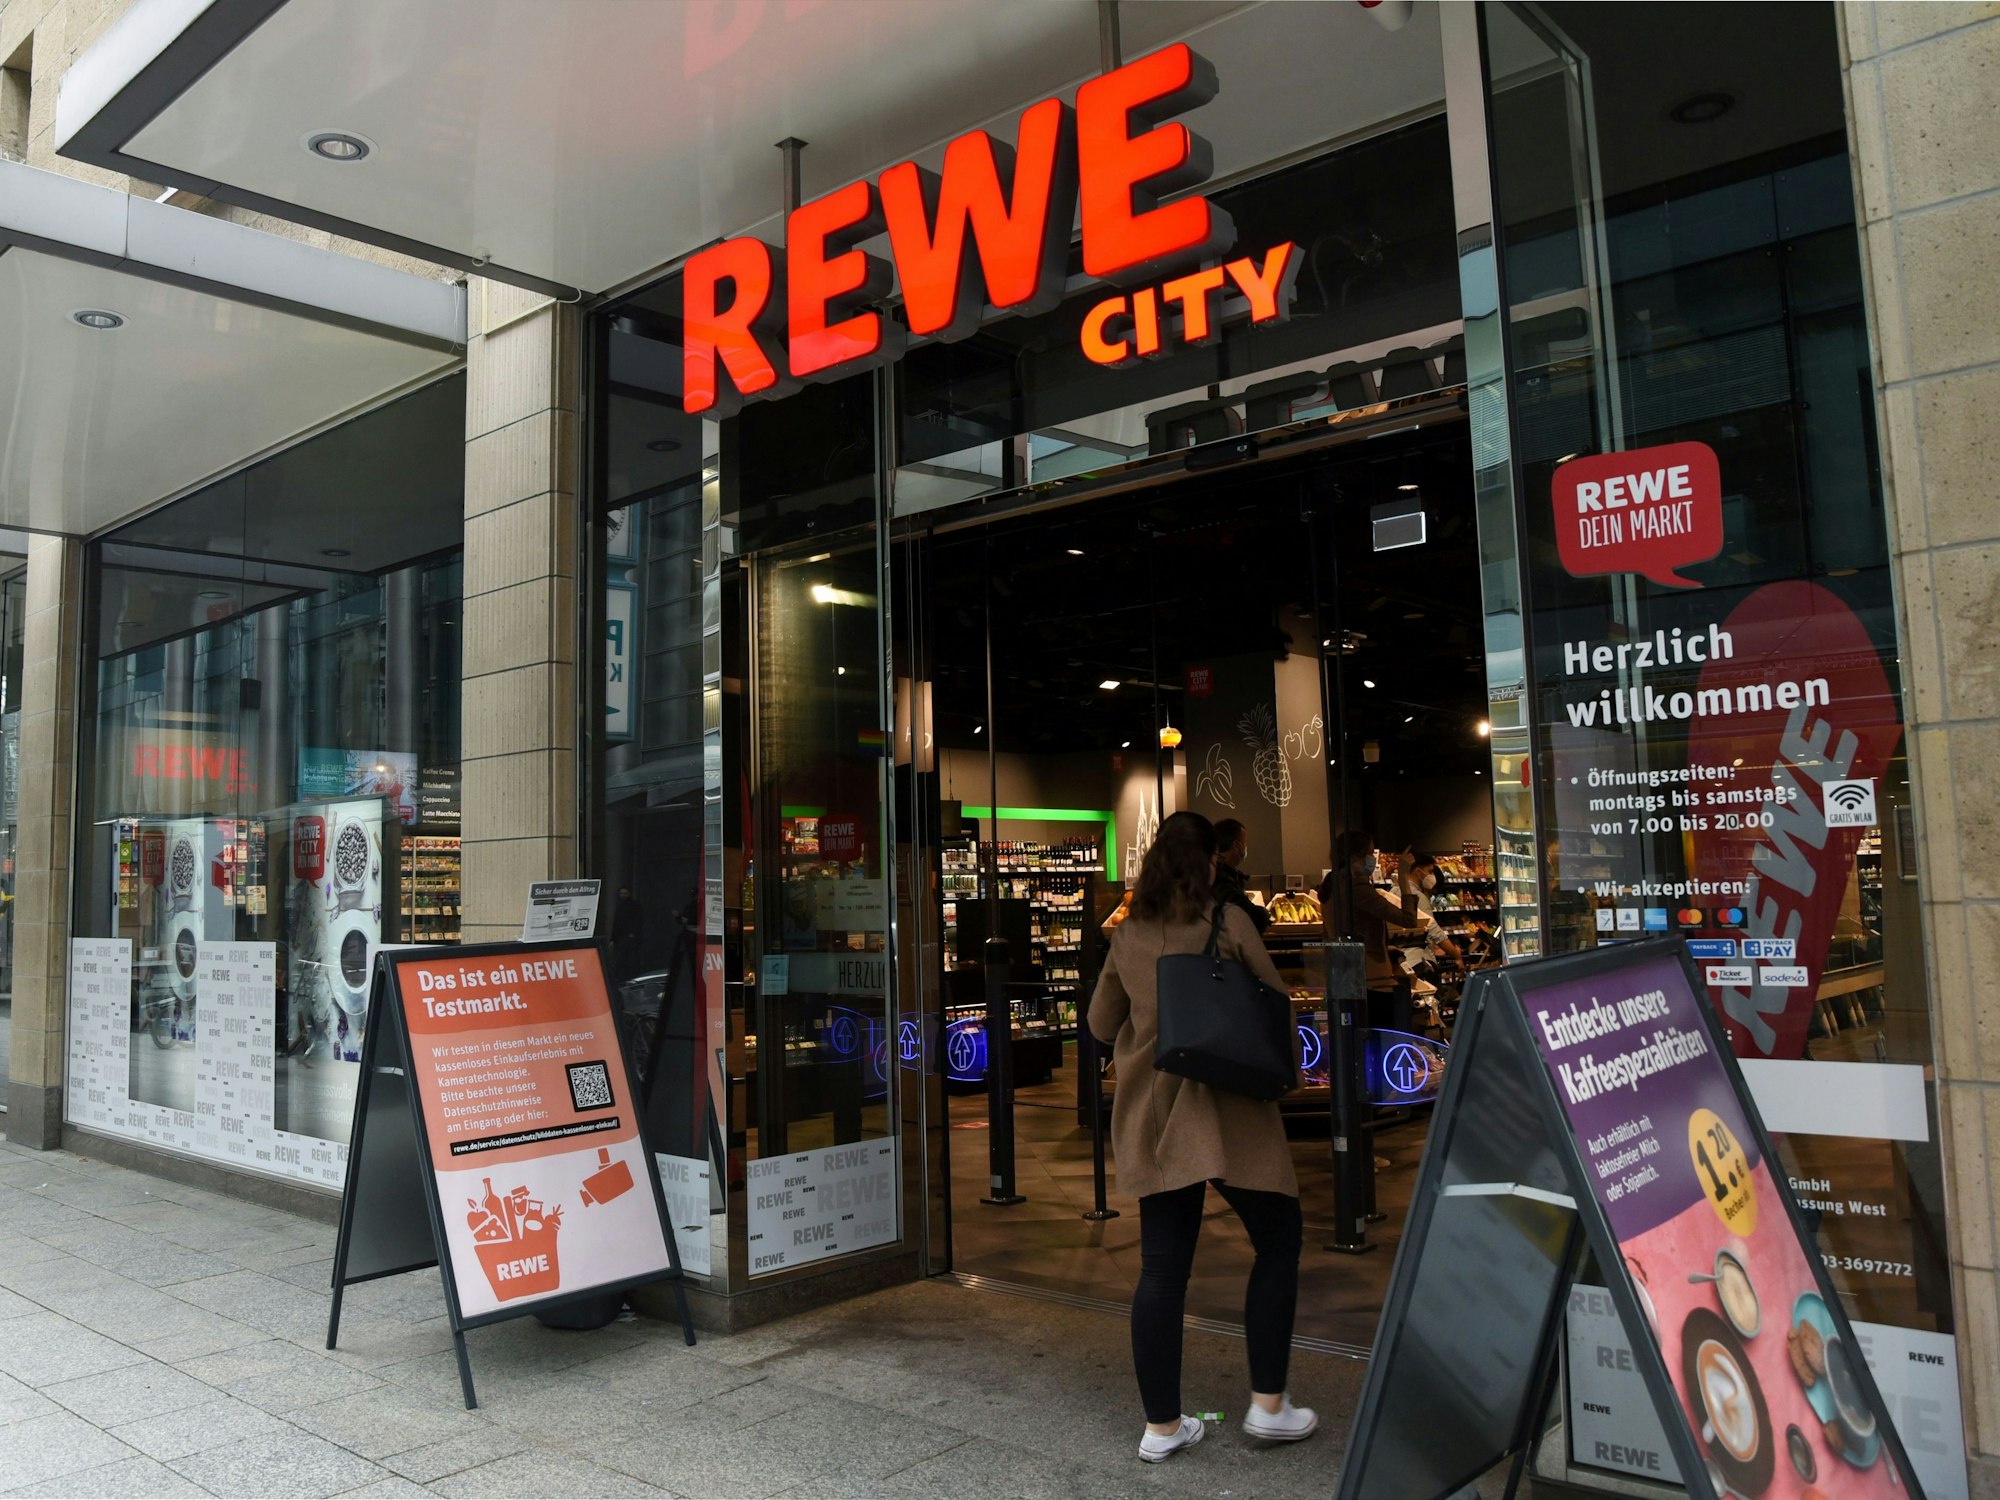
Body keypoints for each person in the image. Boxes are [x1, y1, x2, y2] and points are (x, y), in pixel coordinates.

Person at [1087, 811, 1315, 1463]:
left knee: (1161, 1271)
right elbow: (1274, 1005)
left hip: (1159, 1120)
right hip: (1232, 1109)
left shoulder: (1128, 933)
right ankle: (1268, 1405)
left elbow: (1100, 1024)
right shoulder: (1229, 922)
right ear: (1211, 862)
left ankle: (1162, 1428)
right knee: (1278, 1241)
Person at [1317, 831, 1420, 1031]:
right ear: (1354, 857)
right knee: (1378, 1036)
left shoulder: (1330, 884)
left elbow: (1331, 931)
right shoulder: (1357, 887)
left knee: (1352, 1036)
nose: (1373, 858)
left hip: (1343, 977)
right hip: (1372, 979)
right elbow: (1408, 919)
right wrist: (1403, 877)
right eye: (1370, 853)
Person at [1210, 818, 1270, 935]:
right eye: (1245, 843)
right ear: (1236, 845)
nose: (1246, 848)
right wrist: (1264, 913)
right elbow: (1249, 917)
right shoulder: (1221, 878)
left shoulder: (1219, 871)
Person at [1403, 853, 1461, 965]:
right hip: (1419, 961)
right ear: (1418, 872)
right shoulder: (1419, 897)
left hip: (1400, 961)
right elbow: (1434, 932)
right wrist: (1456, 955)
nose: (1432, 876)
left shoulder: (1393, 891)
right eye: (1430, 872)